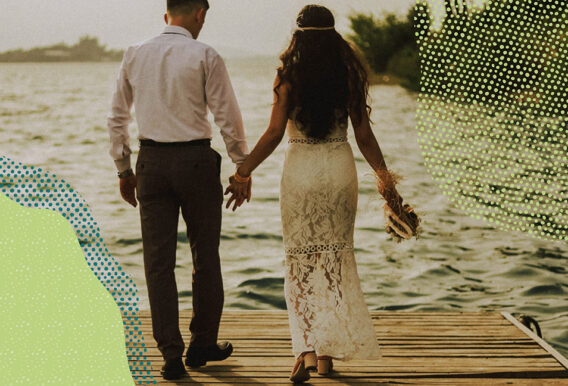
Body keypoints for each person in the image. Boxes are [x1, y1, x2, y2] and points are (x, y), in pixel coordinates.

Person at [224, 4, 405, 382]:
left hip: (301, 173)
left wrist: (243, 171)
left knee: (301, 264)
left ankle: (306, 350)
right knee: (335, 263)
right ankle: (325, 356)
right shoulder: (349, 75)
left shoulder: (288, 76)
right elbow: (365, 137)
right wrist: (387, 184)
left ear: (299, 36)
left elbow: (274, 134)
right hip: (340, 171)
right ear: (333, 35)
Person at [106, 0, 250, 380]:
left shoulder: (135, 54)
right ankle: (202, 344)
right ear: (200, 13)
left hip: (151, 163)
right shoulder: (206, 54)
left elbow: (117, 117)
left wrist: (123, 168)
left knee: (158, 262)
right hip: (196, 163)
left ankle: (170, 354)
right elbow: (226, 117)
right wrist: (241, 167)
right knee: (206, 255)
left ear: (166, 13)